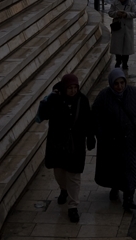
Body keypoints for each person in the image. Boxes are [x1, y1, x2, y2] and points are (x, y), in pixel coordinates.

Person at [91, 68, 136, 211]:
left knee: (130, 167)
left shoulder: (133, 93)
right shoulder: (104, 96)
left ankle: (128, 198)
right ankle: (115, 186)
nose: (119, 87)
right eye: (116, 84)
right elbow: (95, 116)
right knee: (115, 166)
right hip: (111, 140)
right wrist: (99, 135)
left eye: (122, 83)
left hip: (130, 139)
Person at [35, 73, 94, 223]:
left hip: (76, 143)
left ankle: (73, 206)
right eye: (70, 88)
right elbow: (42, 114)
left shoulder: (82, 100)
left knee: (74, 175)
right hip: (58, 143)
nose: (73, 91)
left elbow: (88, 119)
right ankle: (63, 189)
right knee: (59, 172)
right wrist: (49, 99)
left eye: (75, 87)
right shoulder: (55, 100)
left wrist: (90, 136)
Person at [108, 0, 136, 69]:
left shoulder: (131, 3)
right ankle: (118, 61)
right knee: (117, 46)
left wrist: (126, 15)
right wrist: (117, 13)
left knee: (126, 47)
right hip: (118, 27)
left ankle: (125, 63)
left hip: (127, 28)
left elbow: (135, 14)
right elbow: (110, 13)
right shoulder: (115, 3)